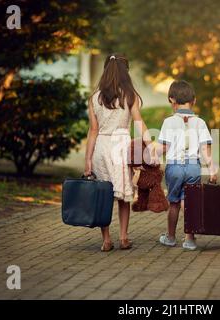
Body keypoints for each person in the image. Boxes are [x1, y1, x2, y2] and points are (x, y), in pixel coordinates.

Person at [84, 53, 155, 252]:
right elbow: (139, 122)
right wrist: (150, 146)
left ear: (105, 70)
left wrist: (88, 160)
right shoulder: (129, 95)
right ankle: (124, 237)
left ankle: (106, 240)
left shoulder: (94, 98)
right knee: (123, 195)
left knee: (103, 195)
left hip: (101, 148)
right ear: (126, 73)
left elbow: (93, 131)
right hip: (121, 148)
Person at [157, 80, 217, 250]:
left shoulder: (168, 122)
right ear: (194, 101)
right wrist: (212, 170)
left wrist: (150, 158)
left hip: (174, 167)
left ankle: (170, 237)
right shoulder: (200, 123)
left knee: (174, 203)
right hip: (193, 167)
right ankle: (189, 239)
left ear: (171, 100)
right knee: (190, 202)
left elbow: (163, 148)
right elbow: (205, 149)